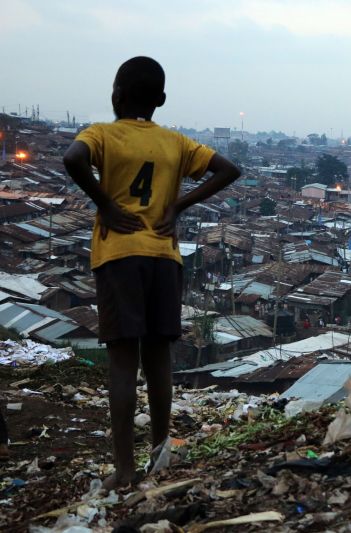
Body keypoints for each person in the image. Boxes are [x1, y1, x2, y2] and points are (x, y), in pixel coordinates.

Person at [63, 56, 240, 489]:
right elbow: (229, 170)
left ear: (116, 94)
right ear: (161, 99)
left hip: (119, 255)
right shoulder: (176, 143)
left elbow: (73, 158)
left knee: (124, 363)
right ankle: (160, 456)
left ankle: (125, 469)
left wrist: (105, 204)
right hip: (164, 256)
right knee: (159, 361)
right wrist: (177, 206)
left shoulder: (101, 134)